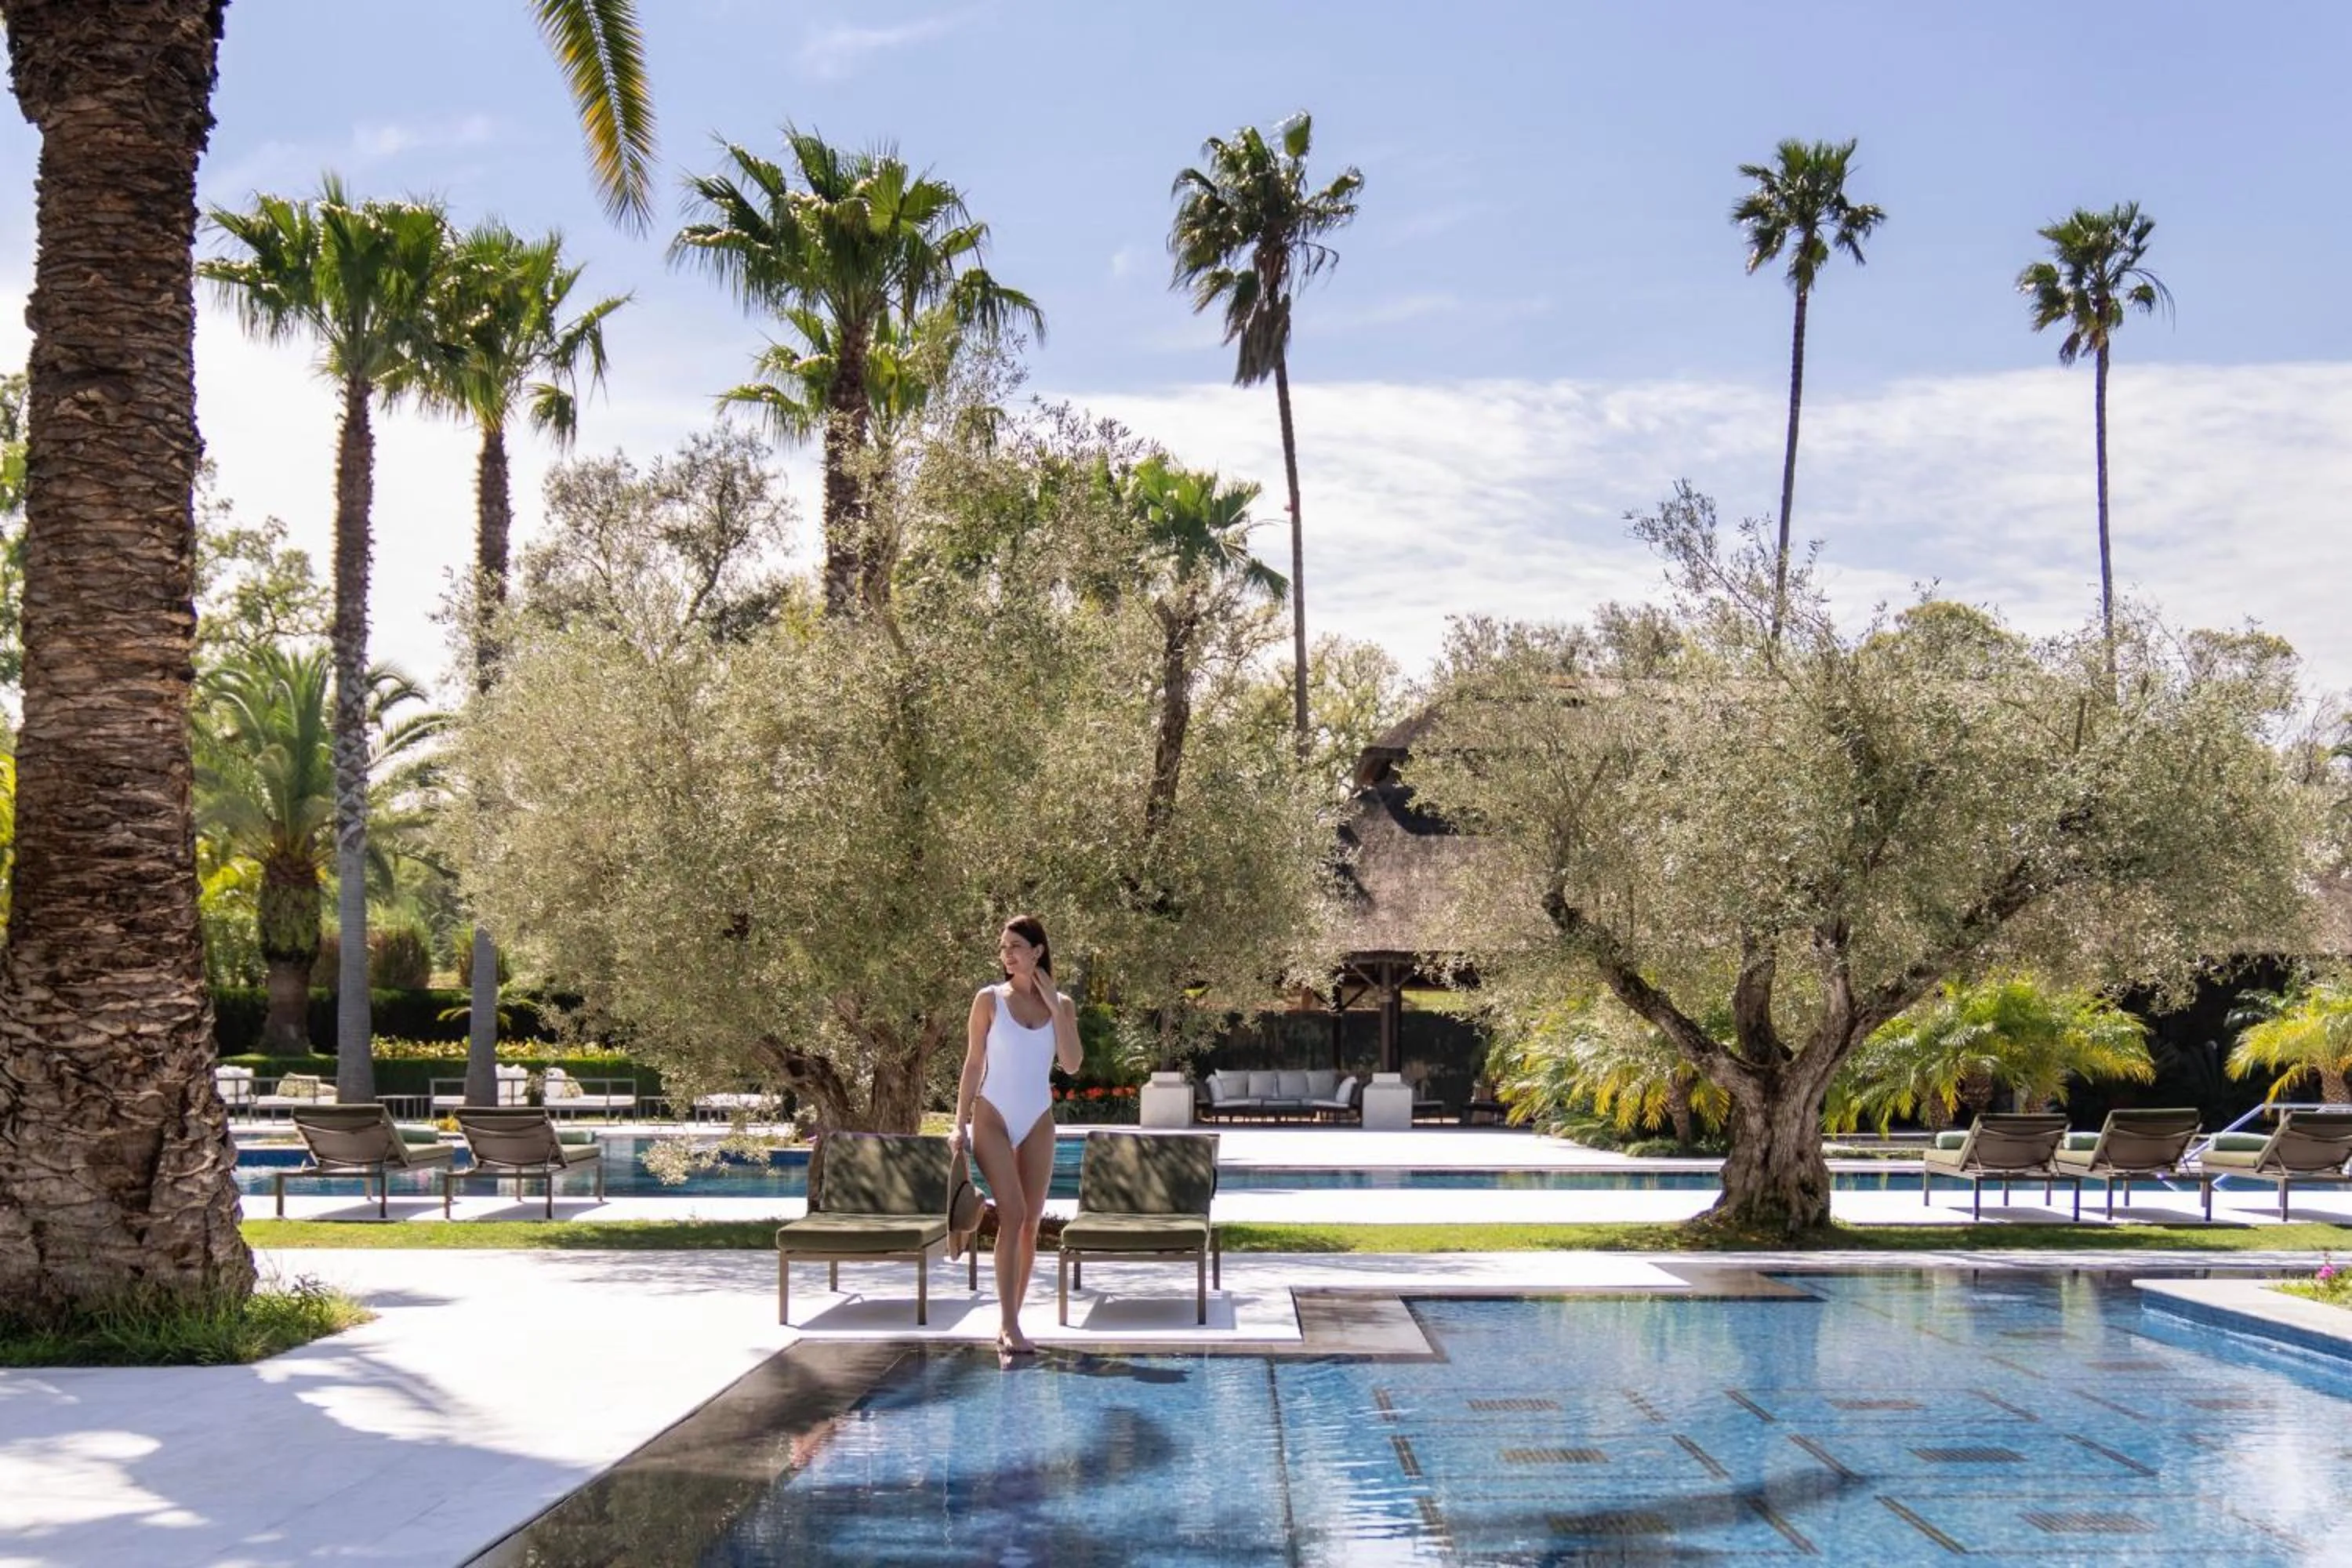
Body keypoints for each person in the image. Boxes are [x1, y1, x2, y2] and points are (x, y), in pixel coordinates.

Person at [951, 915, 1083, 1359]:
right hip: (993, 1116)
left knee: (1030, 1222)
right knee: (1013, 1212)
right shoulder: (988, 999)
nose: (1006, 954)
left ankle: (1012, 1320)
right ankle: (1008, 1325)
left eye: (1015, 947)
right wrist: (959, 1123)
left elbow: (1072, 1064)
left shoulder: (1062, 1004)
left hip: (1038, 1119)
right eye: (1003, 947)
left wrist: (1056, 1007)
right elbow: (974, 1063)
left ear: (1037, 951)